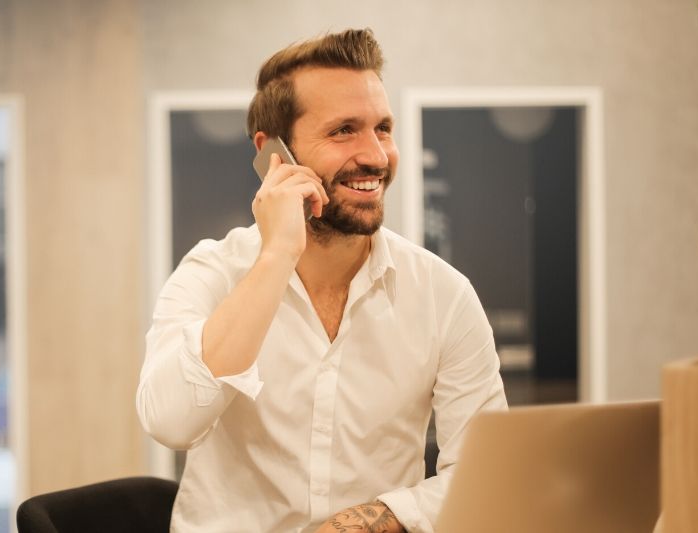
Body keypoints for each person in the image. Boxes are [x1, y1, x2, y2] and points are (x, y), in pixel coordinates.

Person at [137, 28, 507, 533]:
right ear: (275, 156)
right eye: (343, 131)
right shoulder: (212, 272)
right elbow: (171, 423)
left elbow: (483, 477)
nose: (376, 155)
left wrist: (363, 521)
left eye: (383, 128)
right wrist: (276, 257)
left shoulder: (444, 295)